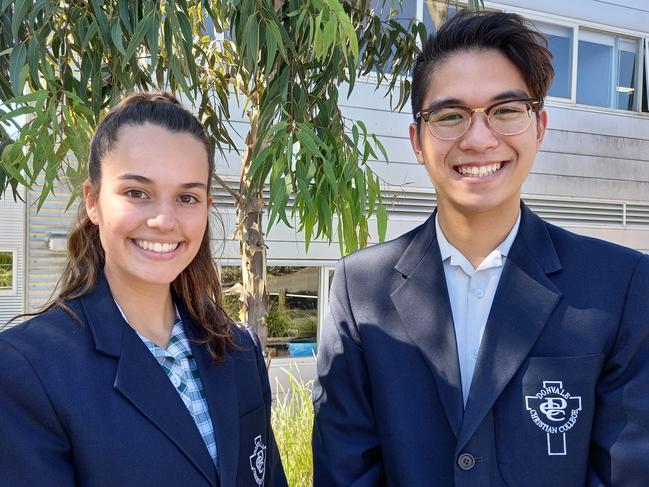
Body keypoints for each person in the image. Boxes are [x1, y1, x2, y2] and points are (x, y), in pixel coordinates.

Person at [312, 11, 649, 487]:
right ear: (417, 140)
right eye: (450, 116)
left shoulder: (621, 284)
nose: (478, 138)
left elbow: (627, 472)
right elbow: (346, 471)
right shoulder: (360, 289)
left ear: (539, 126)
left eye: (505, 110)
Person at [0, 93, 287, 487]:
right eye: (137, 193)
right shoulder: (28, 368)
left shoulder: (238, 350)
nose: (164, 220)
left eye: (187, 197)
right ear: (93, 202)